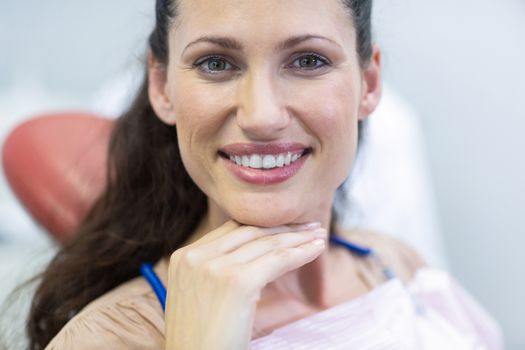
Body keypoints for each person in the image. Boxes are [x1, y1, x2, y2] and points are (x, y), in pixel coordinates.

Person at [27, 0, 503, 349]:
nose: (261, 115)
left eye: (308, 61)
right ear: (161, 86)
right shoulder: (108, 337)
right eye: (216, 63)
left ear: (369, 83)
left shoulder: (395, 265)